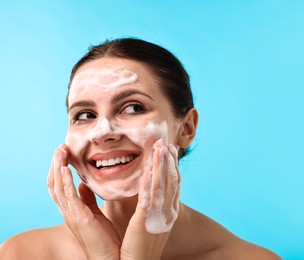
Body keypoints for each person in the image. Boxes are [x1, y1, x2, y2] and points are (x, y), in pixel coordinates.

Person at [0, 38, 280, 259]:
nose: (103, 132)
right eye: (85, 115)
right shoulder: (21, 254)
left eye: (133, 108)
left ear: (186, 128)